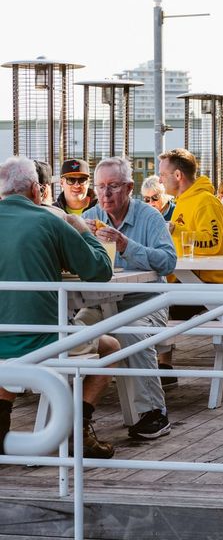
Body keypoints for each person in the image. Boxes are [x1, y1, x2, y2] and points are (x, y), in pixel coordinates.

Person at [0, 156, 119, 458]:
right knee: (112, 346)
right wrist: (81, 228)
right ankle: (77, 428)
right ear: (36, 190)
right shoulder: (49, 220)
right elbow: (99, 269)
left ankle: (2, 428)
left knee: (9, 359)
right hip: (42, 341)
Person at [83, 156, 177, 441]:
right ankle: (73, 414)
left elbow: (169, 262)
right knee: (72, 329)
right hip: (100, 302)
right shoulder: (90, 216)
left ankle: (153, 413)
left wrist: (125, 244)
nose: (105, 194)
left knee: (132, 330)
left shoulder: (149, 216)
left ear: (129, 187)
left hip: (144, 301)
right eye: (100, 187)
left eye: (113, 186)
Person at [157, 148, 223, 376]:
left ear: (177, 175)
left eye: (163, 174)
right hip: (184, 281)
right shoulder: (182, 201)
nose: (160, 180)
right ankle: (160, 366)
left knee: (152, 310)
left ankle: (158, 368)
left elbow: (213, 243)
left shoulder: (206, 201)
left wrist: (177, 230)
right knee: (142, 302)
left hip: (205, 285)